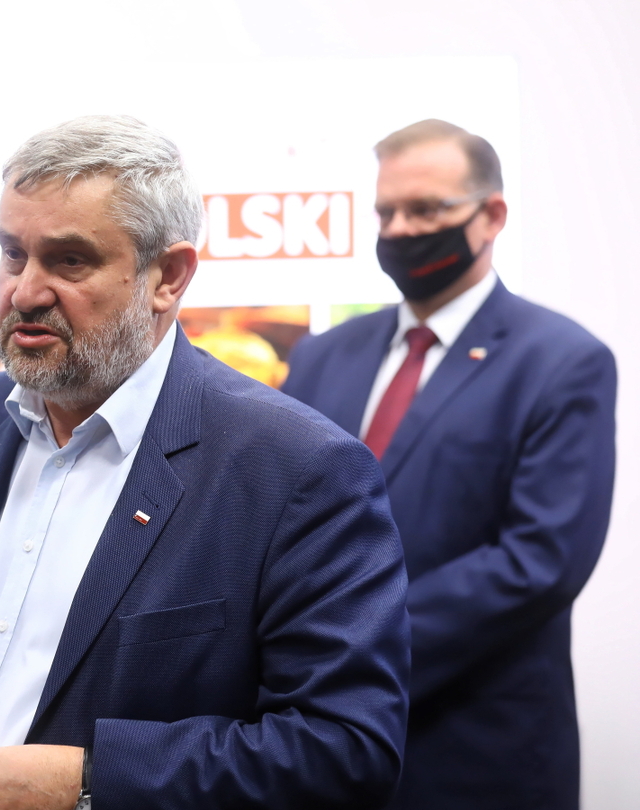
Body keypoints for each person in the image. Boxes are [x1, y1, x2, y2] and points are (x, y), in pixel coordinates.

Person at [0, 116, 410, 810]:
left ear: (168, 277)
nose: (25, 292)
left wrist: (90, 781)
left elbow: (345, 749)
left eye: (69, 261)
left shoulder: (296, 469)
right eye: (13, 254)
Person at [283, 119, 617, 810]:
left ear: (491, 215)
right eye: (387, 213)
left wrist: (355, 644)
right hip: (313, 747)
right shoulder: (322, 356)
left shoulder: (563, 362)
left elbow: (539, 561)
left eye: (426, 209)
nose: (401, 229)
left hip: (478, 749)